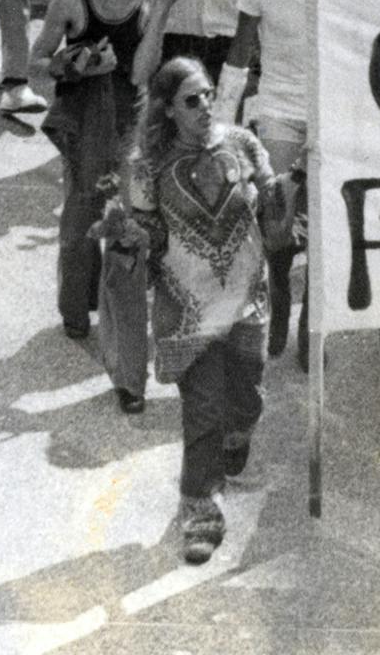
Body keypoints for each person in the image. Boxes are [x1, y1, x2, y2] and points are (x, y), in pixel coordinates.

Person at [128, 57, 280, 562]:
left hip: (246, 302)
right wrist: (126, 239)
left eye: (210, 95)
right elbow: (146, 235)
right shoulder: (146, 169)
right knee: (203, 409)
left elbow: (275, 202)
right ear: (168, 110)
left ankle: (241, 429)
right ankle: (201, 507)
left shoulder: (242, 144)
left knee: (246, 394)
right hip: (188, 310)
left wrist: (299, 178)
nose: (206, 107)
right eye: (192, 100)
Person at [220, 0, 372, 358]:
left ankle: (314, 324)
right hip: (279, 112)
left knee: (327, 225)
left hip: (336, 114)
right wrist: (221, 128)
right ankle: (281, 298)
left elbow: (371, 46)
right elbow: (239, 56)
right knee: (279, 219)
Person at [32, 0, 169, 407]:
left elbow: (145, 71)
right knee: (78, 229)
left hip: (131, 129)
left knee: (125, 240)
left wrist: (167, 6)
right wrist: (78, 60)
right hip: (84, 127)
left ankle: (126, 370)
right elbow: (36, 61)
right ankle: (74, 307)